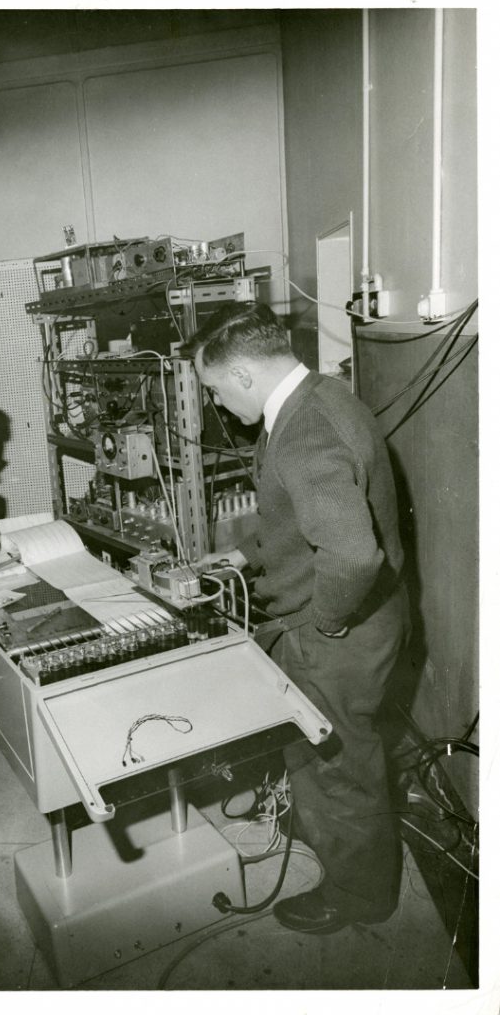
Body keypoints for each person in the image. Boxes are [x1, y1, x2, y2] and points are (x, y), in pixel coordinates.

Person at [185, 302, 409, 934]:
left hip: (338, 632)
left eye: (216, 390)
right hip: (362, 619)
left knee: (340, 768)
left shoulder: (303, 431)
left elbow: (349, 550)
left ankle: (360, 896)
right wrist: (247, 551)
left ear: (246, 376)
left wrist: (327, 624)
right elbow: (304, 523)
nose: (220, 405)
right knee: (327, 758)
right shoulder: (322, 395)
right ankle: (328, 835)